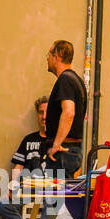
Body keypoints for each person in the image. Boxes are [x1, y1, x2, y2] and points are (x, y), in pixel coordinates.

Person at [0, 97, 56, 219]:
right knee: (3, 205)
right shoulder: (29, 139)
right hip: (29, 188)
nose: (44, 116)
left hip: (52, 188)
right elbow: (18, 167)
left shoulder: (60, 141)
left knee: (54, 202)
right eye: (41, 112)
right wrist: (13, 187)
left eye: (47, 112)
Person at [43, 40, 87, 183]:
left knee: (55, 203)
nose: (47, 58)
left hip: (62, 153)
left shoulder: (65, 80)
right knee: (63, 201)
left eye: (49, 54)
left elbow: (69, 113)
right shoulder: (76, 80)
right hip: (70, 151)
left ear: (58, 56)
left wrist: (56, 145)